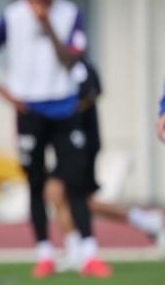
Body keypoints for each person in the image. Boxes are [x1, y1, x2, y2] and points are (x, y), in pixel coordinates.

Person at [0, 0, 111, 279]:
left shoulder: (70, 15)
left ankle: (89, 254)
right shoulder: (12, 16)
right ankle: (45, 254)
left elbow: (71, 61)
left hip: (64, 108)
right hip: (30, 110)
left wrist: (47, 25)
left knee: (75, 181)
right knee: (35, 181)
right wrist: (5, 93)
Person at [45, 60, 164, 263]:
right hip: (64, 143)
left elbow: (93, 91)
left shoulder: (77, 64)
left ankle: (147, 221)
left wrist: (61, 114)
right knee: (57, 193)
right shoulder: (46, 70)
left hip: (82, 141)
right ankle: (76, 251)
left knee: (80, 200)